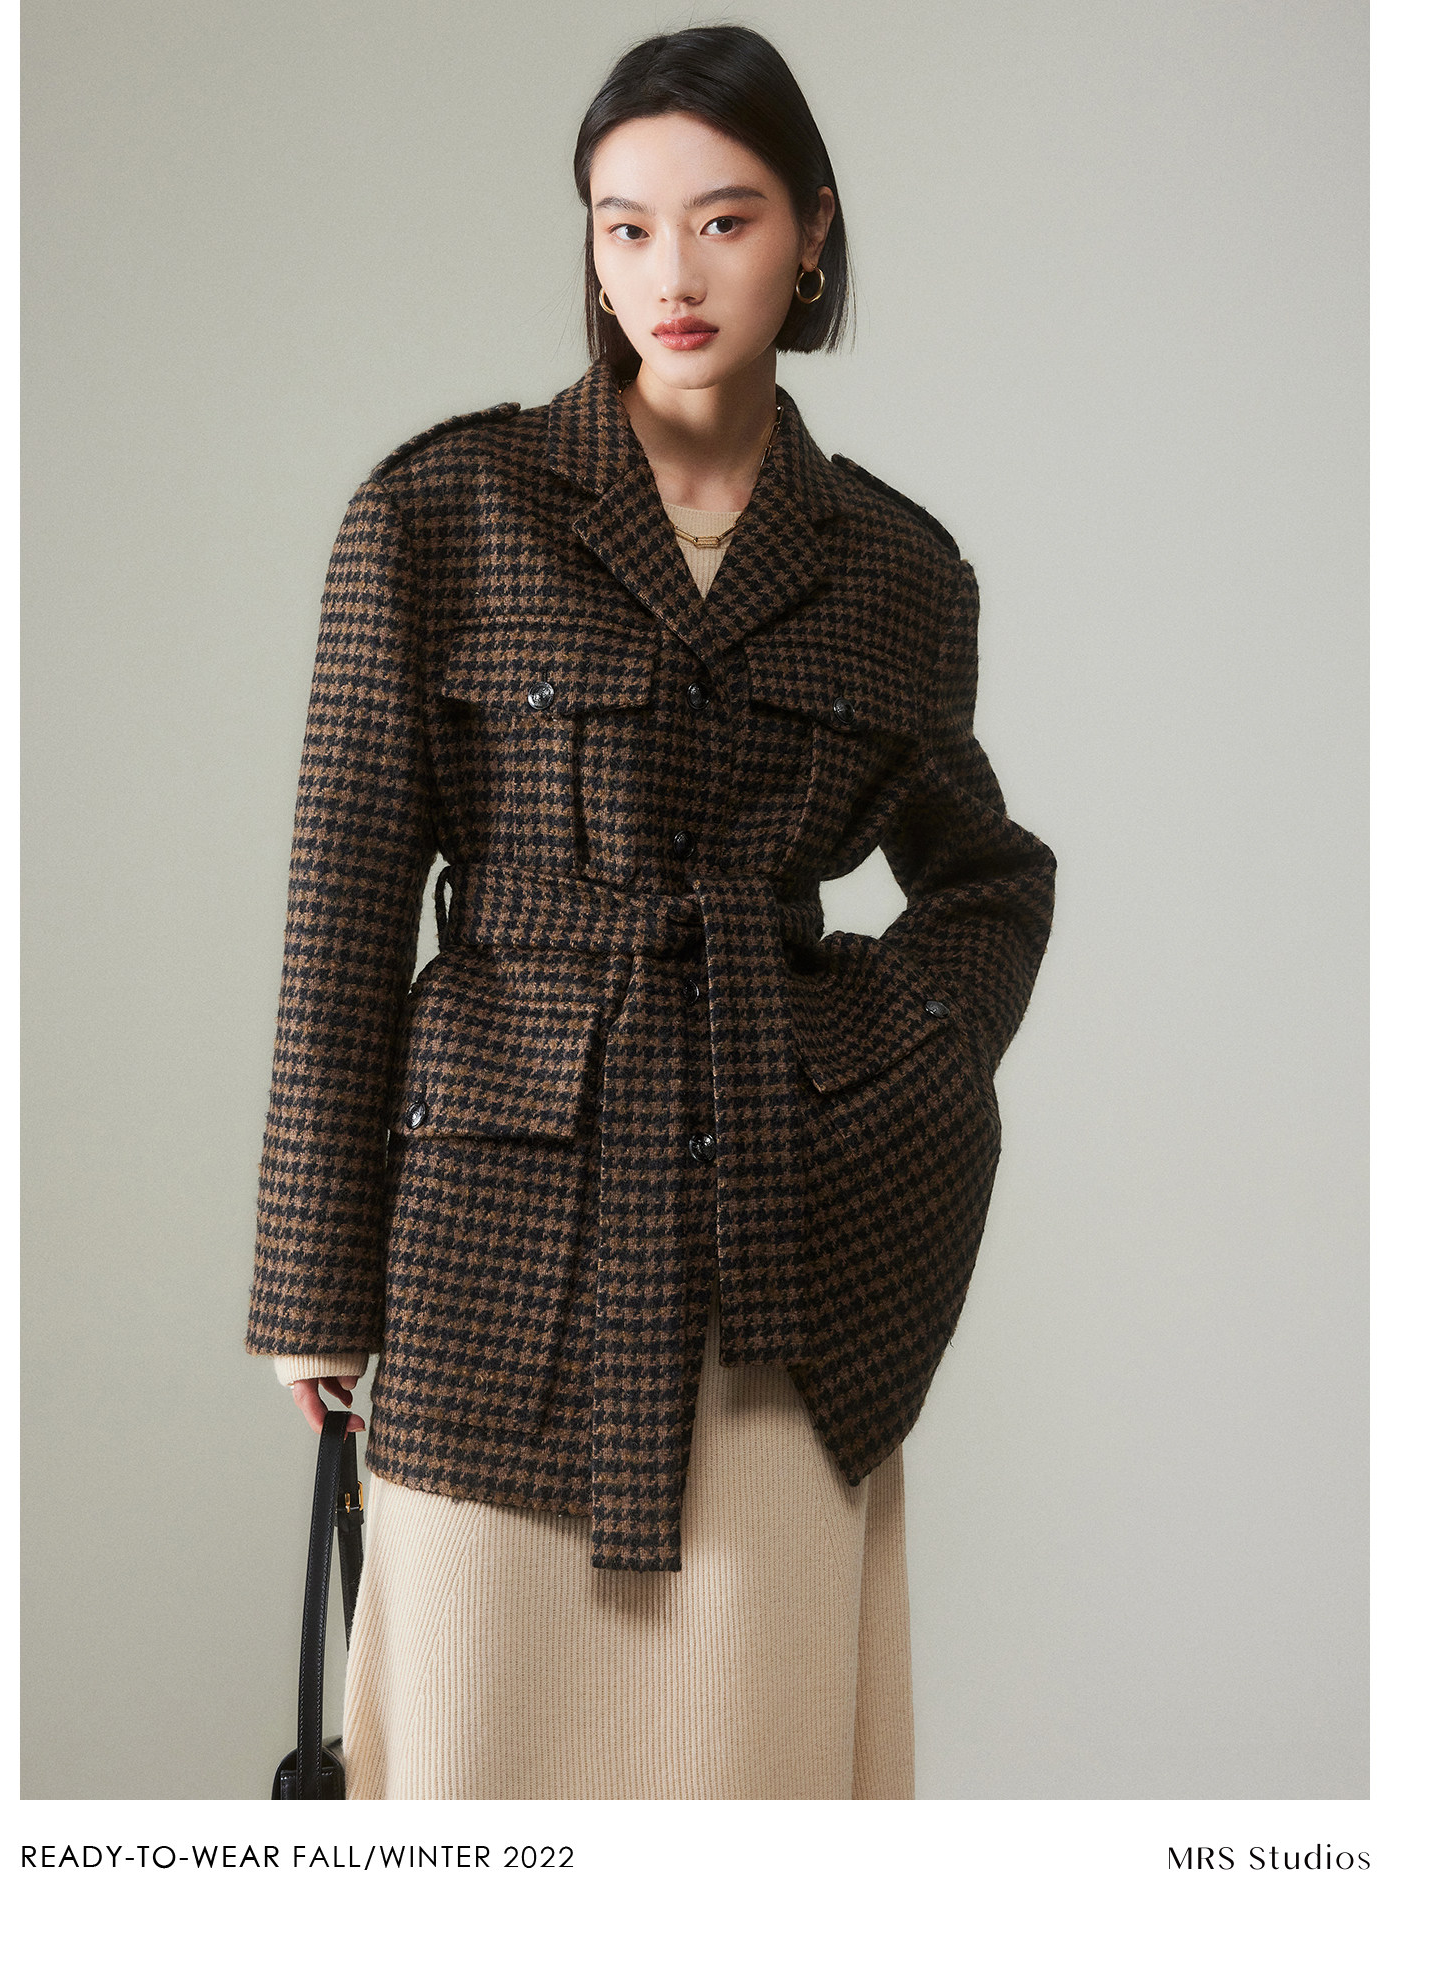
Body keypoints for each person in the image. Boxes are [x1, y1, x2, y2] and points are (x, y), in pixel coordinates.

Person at [246, 23, 1056, 1800]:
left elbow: (988, 874)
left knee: (739, 1777)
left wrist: (880, 1072)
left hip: (774, 1255)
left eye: (723, 220)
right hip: (493, 1246)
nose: (669, 275)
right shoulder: (440, 512)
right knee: (467, 1766)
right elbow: (342, 903)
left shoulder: (900, 571)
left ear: (813, 233)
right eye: (625, 227)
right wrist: (313, 1282)